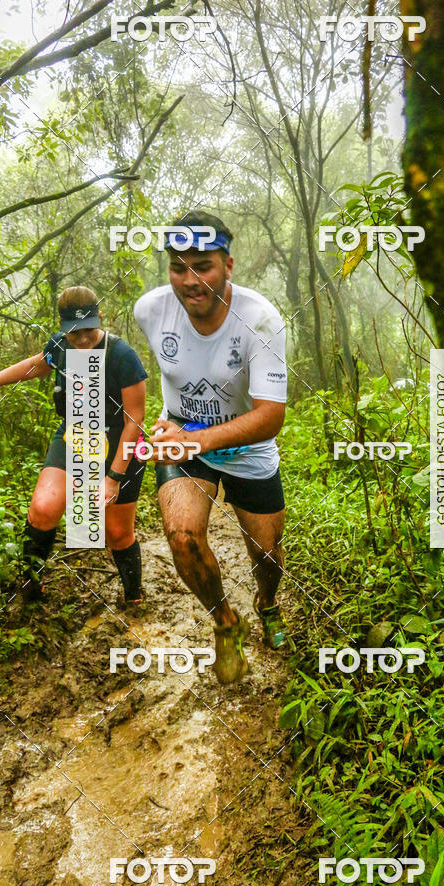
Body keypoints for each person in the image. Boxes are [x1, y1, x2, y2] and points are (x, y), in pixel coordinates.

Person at [133, 211, 288, 685]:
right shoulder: (150, 310)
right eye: (179, 267)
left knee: (266, 557)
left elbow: (270, 416)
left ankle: (266, 603)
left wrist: (192, 439)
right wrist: (171, 429)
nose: (190, 280)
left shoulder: (260, 319)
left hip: (248, 449)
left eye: (203, 265)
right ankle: (225, 621)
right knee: (182, 538)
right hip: (185, 443)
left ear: (229, 265)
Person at [0, 286, 148, 617]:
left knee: (117, 532)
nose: (81, 340)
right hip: (77, 433)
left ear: (100, 318)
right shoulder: (61, 345)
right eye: (73, 333)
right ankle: (30, 585)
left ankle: (133, 596)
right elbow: (37, 364)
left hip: (121, 442)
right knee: (43, 508)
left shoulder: (122, 356)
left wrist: (112, 477)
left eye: (88, 330)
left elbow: (135, 420)